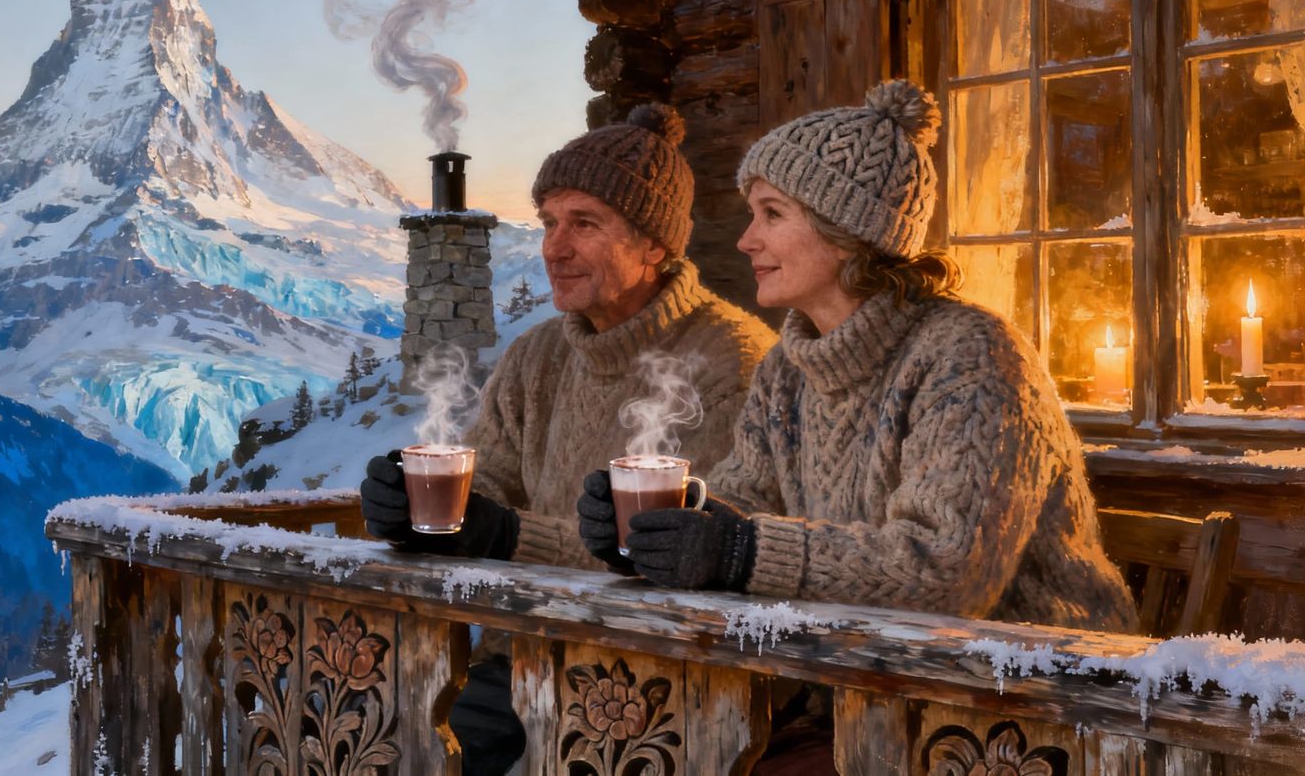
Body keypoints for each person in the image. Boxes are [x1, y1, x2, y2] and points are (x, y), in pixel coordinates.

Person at [578, 79, 1135, 773]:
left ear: (849, 234)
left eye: (772, 213)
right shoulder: (790, 365)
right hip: (863, 688)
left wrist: (741, 554)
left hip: (1023, 703)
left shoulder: (971, 354)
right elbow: (746, 503)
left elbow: (948, 572)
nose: (747, 239)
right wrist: (661, 529)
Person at [360, 102, 776, 775]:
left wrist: (504, 536)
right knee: (388, 743)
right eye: (550, 222)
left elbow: (690, 558)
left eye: (585, 224)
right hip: (516, 663)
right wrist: (413, 513)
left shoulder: (736, 360)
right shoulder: (537, 356)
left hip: (660, 682)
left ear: (654, 244)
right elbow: (485, 489)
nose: (555, 246)